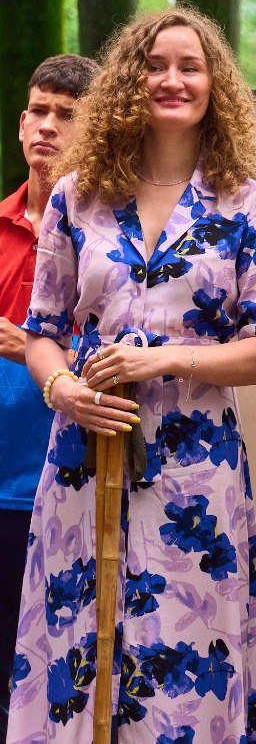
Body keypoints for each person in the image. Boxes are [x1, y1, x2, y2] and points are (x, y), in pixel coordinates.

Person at [10, 7, 256, 741]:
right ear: (127, 84)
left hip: (196, 469)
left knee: (186, 649)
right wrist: (63, 389)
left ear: (214, 85)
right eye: (154, 66)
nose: (172, 80)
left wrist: (164, 357)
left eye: (189, 67)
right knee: (78, 647)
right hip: (83, 454)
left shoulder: (249, 203)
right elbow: (41, 333)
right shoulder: (76, 195)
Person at [0, 53, 99, 741]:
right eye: (38, 111)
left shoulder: (107, 235)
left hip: (68, 482)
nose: (47, 126)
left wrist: (32, 350)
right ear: (20, 124)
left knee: (55, 671)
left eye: (66, 115)